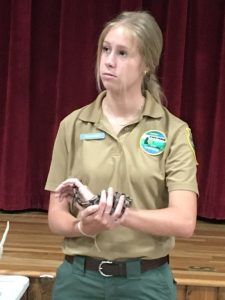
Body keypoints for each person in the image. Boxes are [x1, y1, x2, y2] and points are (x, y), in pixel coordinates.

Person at [45, 10, 198, 300]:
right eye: (105, 49)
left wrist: (119, 215)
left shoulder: (174, 132)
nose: (109, 61)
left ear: (146, 65)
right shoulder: (73, 125)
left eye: (123, 53)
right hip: (78, 280)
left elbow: (184, 221)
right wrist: (83, 226)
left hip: (145, 282)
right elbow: (56, 218)